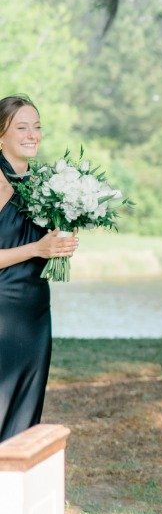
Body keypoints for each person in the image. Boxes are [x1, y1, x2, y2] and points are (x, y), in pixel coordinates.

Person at [0, 97, 77, 443]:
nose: (33, 134)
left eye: (37, 126)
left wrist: (58, 244)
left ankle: (12, 491)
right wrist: (36, 248)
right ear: (1, 135)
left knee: (27, 408)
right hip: (3, 311)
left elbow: (40, 244)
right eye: (22, 127)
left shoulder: (43, 184)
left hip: (35, 312)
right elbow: (29, 247)